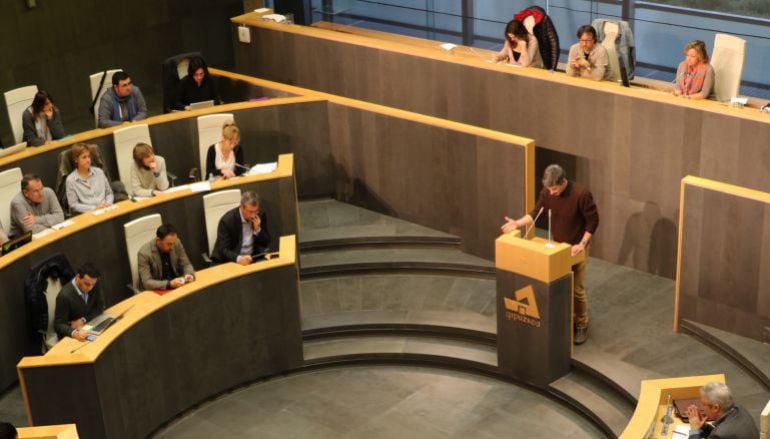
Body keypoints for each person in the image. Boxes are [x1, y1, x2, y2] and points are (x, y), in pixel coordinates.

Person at [501, 164, 599, 344]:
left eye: (554, 189)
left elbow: (593, 221)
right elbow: (536, 211)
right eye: (549, 189)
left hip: (577, 247)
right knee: (557, 286)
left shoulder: (581, 194)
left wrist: (582, 244)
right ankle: (561, 320)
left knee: (576, 289)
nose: (551, 193)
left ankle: (581, 323)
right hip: (557, 246)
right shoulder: (547, 192)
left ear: (563, 182)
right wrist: (517, 224)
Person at [212, 191, 270, 265]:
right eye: (250, 212)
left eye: (256, 211)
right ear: (242, 207)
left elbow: (266, 243)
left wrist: (258, 230)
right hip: (232, 261)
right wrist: (238, 259)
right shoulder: (227, 221)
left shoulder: (259, 216)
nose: (253, 215)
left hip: (253, 258)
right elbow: (223, 250)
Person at [54, 262, 105, 341]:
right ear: (78, 277)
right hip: (73, 334)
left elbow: (100, 306)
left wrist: (83, 320)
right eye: (87, 284)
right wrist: (74, 333)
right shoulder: (64, 296)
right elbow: (59, 324)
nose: (90, 288)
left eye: (93, 285)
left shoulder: (94, 282)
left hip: (89, 325)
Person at [686, 382, 758, 438]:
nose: (701, 407)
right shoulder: (740, 409)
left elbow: (721, 435)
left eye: (704, 404)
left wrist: (694, 429)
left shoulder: (721, 434)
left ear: (715, 408)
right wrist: (703, 427)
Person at [137, 223, 195, 291]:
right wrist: (169, 284)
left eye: (173, 243)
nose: (172, 247)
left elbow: (186, 264)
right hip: (158, 290)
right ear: (158, 240)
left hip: (177, 285)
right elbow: (147, 283)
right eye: (169, 244)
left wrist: (188, 274)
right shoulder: (144, 253)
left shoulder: (176, 243)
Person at [65, 143, 114, 213]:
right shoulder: (70, 180)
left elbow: (109, 193)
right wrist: (94, 208)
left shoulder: (99, 172)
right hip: (89, 214)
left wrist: (108, 203)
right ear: (76, 159)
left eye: (89, 157)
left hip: (107, 209)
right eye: (84, 157)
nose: (88, 160)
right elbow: (73, 205)